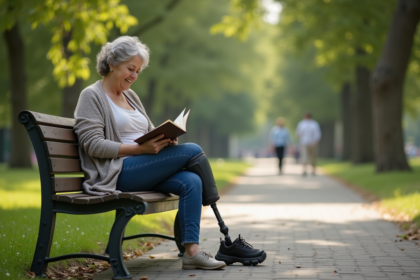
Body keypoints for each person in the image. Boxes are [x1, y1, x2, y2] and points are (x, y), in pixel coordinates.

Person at [73, 36, 265, 271]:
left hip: (144, 166)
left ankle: (192, 252)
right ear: (112, 63)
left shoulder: (130, 97)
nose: (134, 76)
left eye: (138, 71)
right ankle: (225, 235)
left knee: (192, 181)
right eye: (130, 69)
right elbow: (92, 144)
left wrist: (165, 139)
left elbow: (147, 131)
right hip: (116, 172)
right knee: (194, 150)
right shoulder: (91, 96)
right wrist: (140, 149)